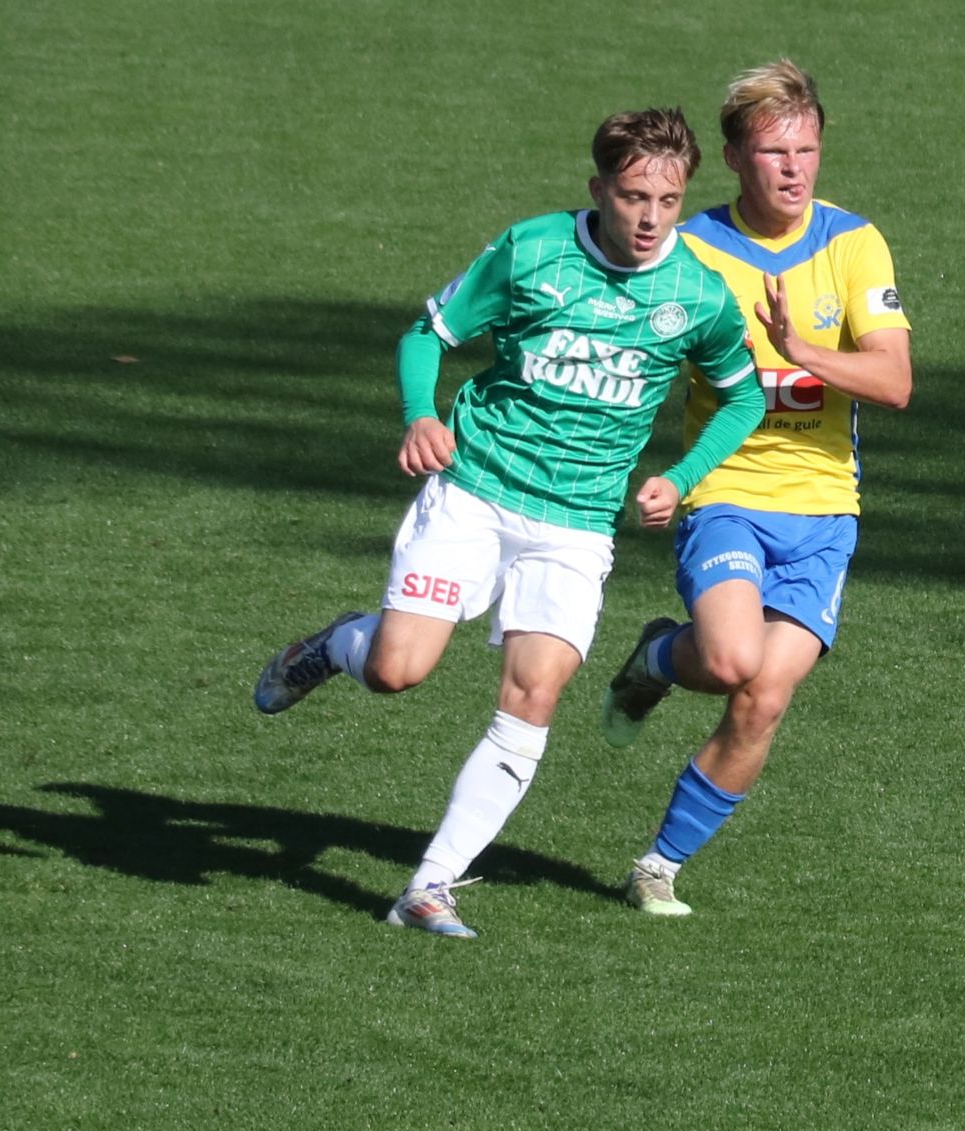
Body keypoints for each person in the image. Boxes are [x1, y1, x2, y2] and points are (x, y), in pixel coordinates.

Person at [253, 107, 764, 940]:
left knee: (534, 694)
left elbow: (742, 393)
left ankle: (429, 886)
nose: (648, 218)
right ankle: (335, 645)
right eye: (633, 196)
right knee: (396, 672)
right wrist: (422, 415)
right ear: (599, 188)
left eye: (667, 201)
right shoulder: (532, 251)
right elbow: (430, 332)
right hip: (476, 491)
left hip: (576, 525)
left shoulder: (698, 294)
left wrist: (681, 475)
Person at [600, 61, 912, 916]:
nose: (795, 169)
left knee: (763, 695)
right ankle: (663, 656)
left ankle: (657, 864)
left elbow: (893, 383)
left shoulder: (854, 243)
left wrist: (800, 348)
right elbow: (634, 359)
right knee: (736, 660)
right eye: (774, 151)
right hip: (728, 489)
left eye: (807, 149)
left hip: (823, 510)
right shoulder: (692, 250)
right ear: (735, 158)